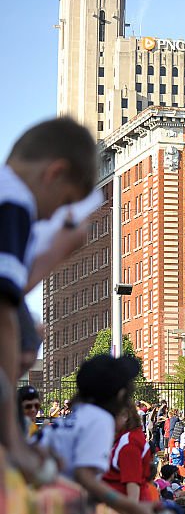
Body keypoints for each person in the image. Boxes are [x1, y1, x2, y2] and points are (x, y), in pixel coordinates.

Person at [2, 118, 98, 479]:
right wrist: (15, 445)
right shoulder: (14, 200)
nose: (54, 215)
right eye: (65, 202)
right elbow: (4, 310)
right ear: (54, 173)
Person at [34, 355, 162, 514]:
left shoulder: (80, 415)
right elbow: (84, 477)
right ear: (119, 394)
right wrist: (132, 508)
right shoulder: (100, 420)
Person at [102, 406, 152, 501]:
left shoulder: (129, 443)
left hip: (123, 508)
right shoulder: (126, 439)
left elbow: (132, 487)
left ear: (124, 416)